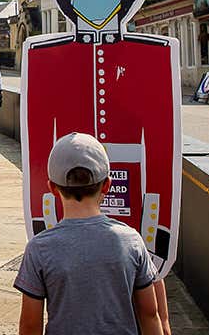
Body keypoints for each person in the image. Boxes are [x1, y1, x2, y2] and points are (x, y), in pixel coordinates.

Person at [15, 133, 164, 335]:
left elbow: (30, 325)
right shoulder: (131, 241)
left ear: (52, 188)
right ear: (107, 185)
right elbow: (149, 314)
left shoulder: (39, 249)